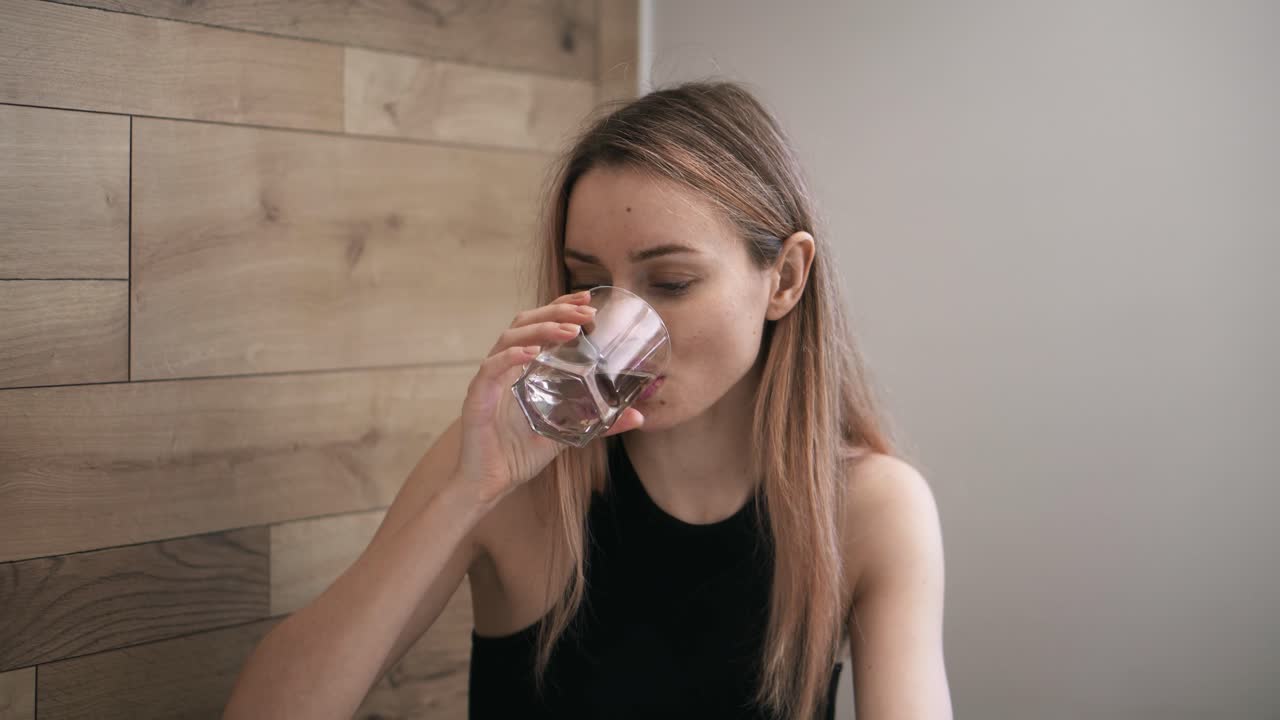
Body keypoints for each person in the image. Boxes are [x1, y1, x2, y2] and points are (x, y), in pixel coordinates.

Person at [224, 80, 952, 720]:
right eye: (588, 282)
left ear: (785, 279)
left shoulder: (868, 508)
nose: (613, 328)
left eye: (671, 283)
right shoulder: (506, 472)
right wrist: (464, 496)